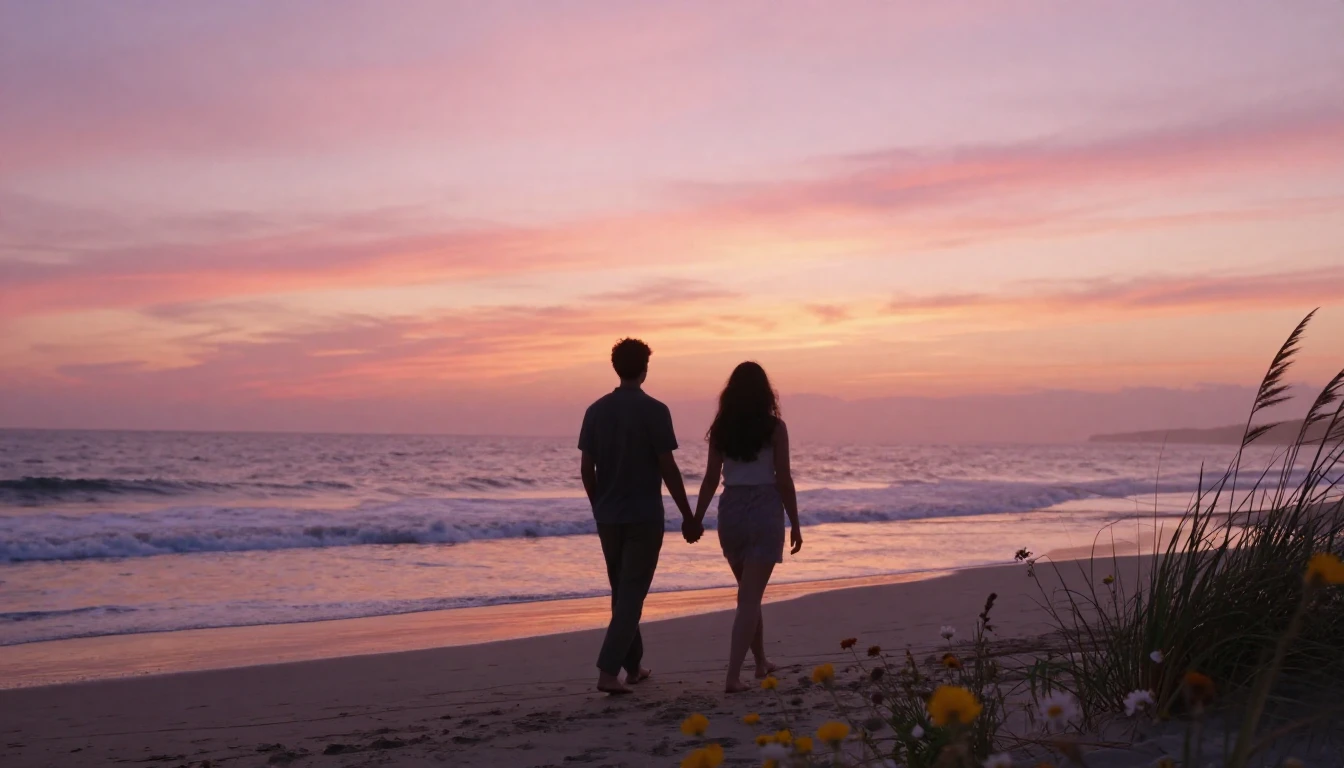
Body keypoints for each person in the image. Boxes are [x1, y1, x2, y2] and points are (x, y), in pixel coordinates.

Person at [579, 338, 700, 695]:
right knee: (631, 592)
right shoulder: (655, 410)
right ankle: (607, 670)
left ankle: (633, 667)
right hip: (644, 515)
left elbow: (587, 468)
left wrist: (597, 504)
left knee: (623, 590)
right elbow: (668, 467)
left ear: (615, 367)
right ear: (645, 368)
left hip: (609, 514)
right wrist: (689, 515)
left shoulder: (596, 410)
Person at [691, 361, 802, 693]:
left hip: (732, 511)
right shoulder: (775, 428)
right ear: (766, 393)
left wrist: (697, 517)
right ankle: (732, 677)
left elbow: (711, 478)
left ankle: (760, 663)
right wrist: (795, 521)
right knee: (749, 598)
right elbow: (783, 478)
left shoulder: (722, 429)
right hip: (765, 508)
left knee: (749, 594)